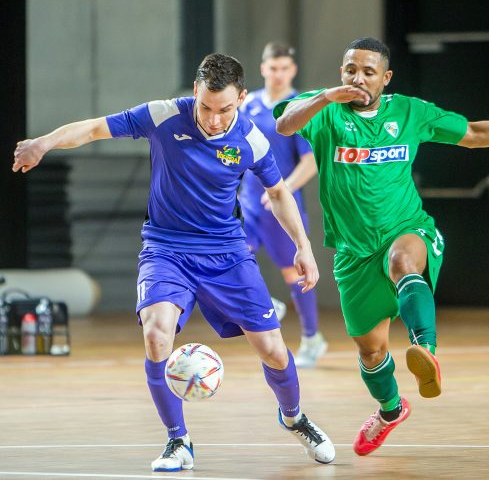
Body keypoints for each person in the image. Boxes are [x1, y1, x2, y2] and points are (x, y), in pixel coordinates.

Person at [13, 53, 336, 471]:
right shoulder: (163, 115)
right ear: (195, 92)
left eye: (225, 110)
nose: (214, 120)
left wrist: (303, 246)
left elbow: (277, 193)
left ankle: (294, 417)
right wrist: (44, 143)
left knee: (274, 350)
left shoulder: (252, 138)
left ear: (241, 98)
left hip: (226, 253)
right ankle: (178, 441)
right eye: (205, 107)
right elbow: (94, 128)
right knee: (156, 335)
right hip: (166, 248)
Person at [273, 37, 489, 455]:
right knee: (371, 350)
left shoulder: (410, 111)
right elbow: (284, 125)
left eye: (368, 72)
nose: (357, 78)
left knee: (404, 261)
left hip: (407, 228)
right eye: (350, 70)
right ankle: (391, 410)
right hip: (352, 253)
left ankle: (424, 349)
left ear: (386, 77)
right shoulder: (323, 109)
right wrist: (325, 97)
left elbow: (473, 133)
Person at [239, 42, 327, 368]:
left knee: (294, 272)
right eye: (272, 68)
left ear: (293, 71)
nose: (278, 74)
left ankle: (311, 337)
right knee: (235, 256)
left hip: (280, 205)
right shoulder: (247, 105)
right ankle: (264, 302)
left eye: (284, 68)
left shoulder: (298, 108)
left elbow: (311, 162)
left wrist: (283, 189)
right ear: (263, 69)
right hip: (247, 203)